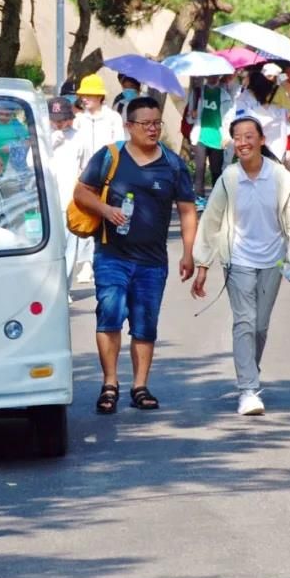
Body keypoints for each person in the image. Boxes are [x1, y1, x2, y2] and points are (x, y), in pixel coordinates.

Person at [73, 96, 196, 414]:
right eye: (146, 123)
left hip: (152, 261)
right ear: (129, 126)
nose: (153, 129)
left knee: (145, 325)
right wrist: (106, 209)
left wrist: (188, 252)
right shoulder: (110, 157)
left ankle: (140, 386)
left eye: (157, 123)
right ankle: (110, 384)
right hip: (112, 254)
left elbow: (186, 209)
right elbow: (81, 192)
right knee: (110, 314)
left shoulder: (172, 164)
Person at [191, 115, 290, 415]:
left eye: (249, 136)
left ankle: (249, 372)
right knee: (244, 321)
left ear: (261, 140)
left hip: (274, 261)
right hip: (238, 260)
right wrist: (202, 264)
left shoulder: (280, 176)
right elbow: (211, 221)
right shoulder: (229, 179)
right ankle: (248, 390)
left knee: (260, 326)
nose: (243, 143)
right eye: (238, 138)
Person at [73, 74, 126, 284]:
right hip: (84, 177)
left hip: (108, 176)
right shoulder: (78, 120)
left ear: (99, 96)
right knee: (86, 217)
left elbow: (120, 145)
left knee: (106, 218)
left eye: (88, 94)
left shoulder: (112, 118)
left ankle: (106, 258)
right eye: (83, 94)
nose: (84, 98)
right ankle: (85, 263)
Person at [48, 97, 89, 284]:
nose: (58, 123)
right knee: (50, 246)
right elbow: (30, 164)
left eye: (62, 118)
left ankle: (64, 287)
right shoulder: (42, 137)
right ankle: (50, 286)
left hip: (71, 199)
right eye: (55, 118)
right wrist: (49, 145)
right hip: (47, 201)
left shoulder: (78, 137)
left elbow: (87, 167)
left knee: (70, 245)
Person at [187, 75, 234, 208]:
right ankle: (200, 199)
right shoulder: (197, 93)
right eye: (210, 75)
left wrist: (227, 136)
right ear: (207, 76)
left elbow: (229, 118)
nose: (213, 78)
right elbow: (189, 118)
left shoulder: (224, 95)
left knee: (216, 171)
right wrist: (192, 115)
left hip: (218, 138)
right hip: (200, 135)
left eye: (215, 75)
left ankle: (217, 199)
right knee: (200, 169)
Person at [241, 71, 290, 170]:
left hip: (256, 152)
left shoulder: (245, 104)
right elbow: (288, 130)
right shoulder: (279, 111)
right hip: (275, 153)